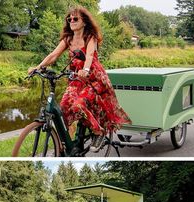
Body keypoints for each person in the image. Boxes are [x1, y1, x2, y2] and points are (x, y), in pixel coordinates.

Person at [28, 5, 131, 152]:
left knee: (78, 105)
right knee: (62, 110)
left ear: (84, 21)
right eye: (69, 18)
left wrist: (86, 69)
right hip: (76, 78)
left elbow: (89, 55)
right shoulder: (68, 39)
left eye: (75, 18)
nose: (71, 20)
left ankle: (98, 131)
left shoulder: (90, 37)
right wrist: (37, 67)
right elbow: (53, 55)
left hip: (93, 78)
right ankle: (68, 144)